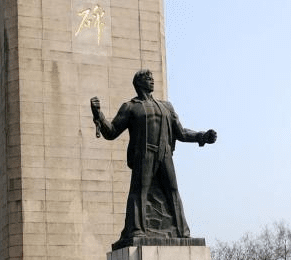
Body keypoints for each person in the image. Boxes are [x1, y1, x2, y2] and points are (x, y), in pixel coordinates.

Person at [91, 69, 216, 243]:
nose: (151, 80)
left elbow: (180, 132)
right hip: (144, 153)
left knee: (172, 191)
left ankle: (182, 232)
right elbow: (111, 132)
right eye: (147, 78)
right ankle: (137, 231)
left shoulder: (166, 106)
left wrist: (201, 136)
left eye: (152, 78)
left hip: (164, 153)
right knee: (139, 192)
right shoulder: (130, 106)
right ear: (138, 83)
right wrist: (99, 115)